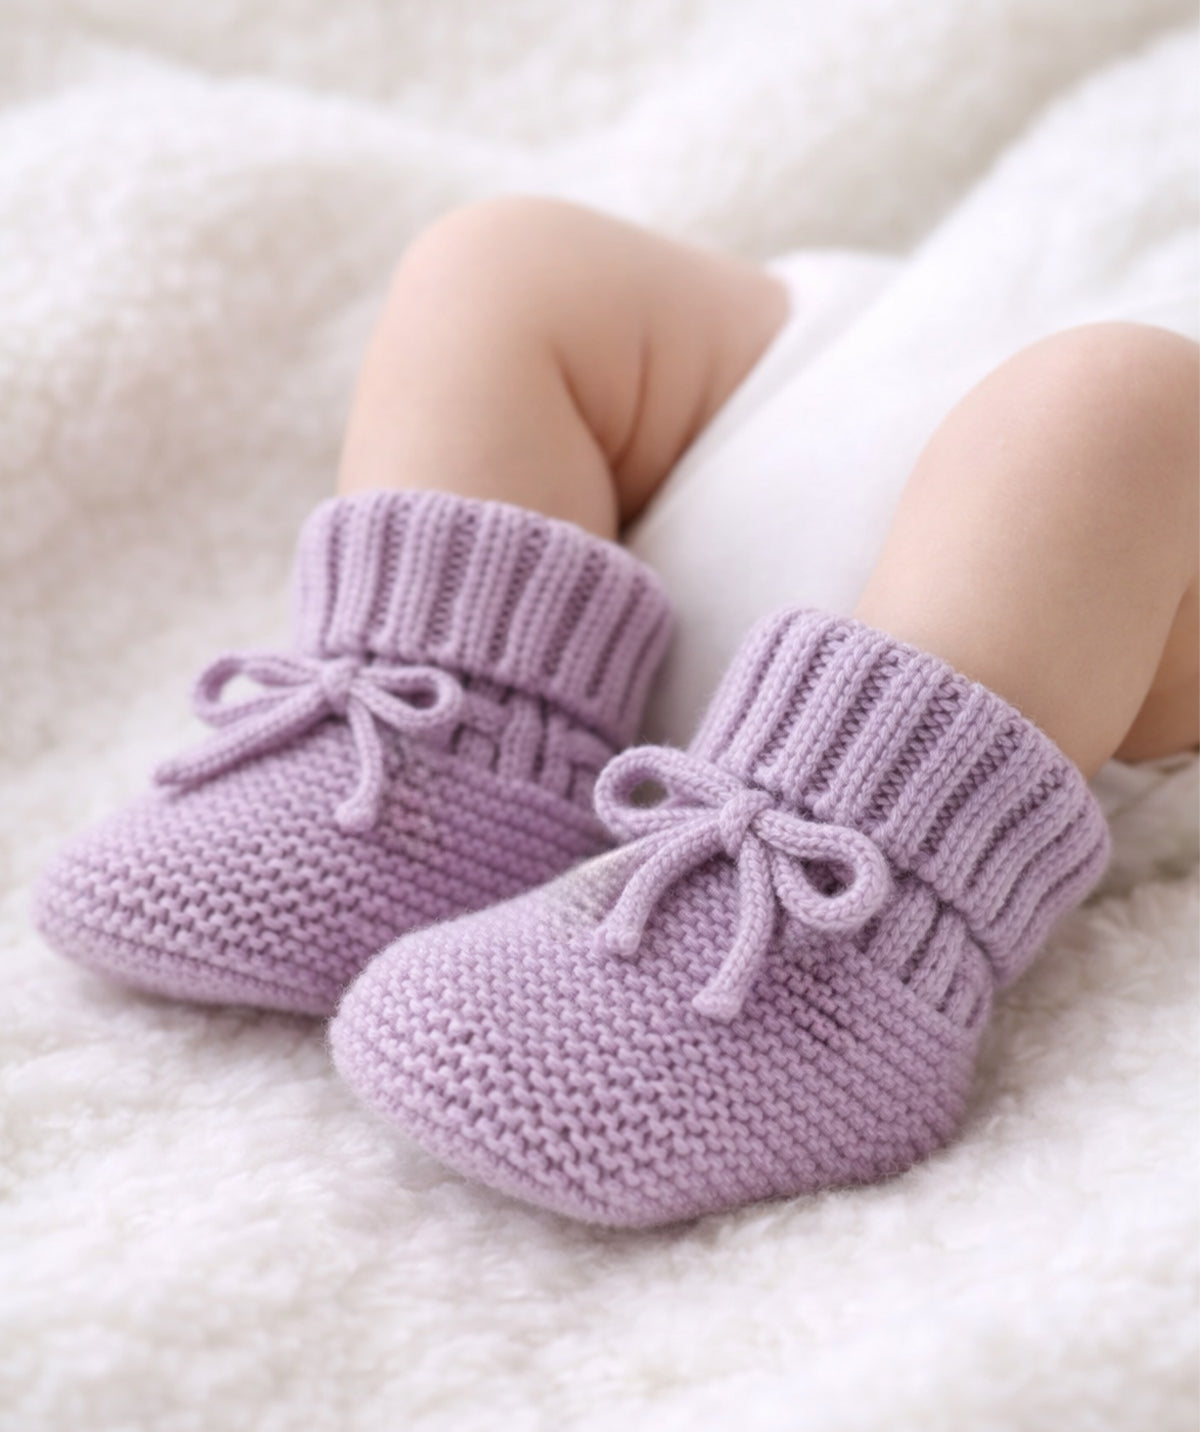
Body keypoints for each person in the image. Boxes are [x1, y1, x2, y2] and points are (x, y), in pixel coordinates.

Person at [36, 197, 1199, 1228]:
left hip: (1044, 644)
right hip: (866, 369)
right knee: (505, 257)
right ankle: (441, 754)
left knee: (1119, 403)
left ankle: (830, 967)